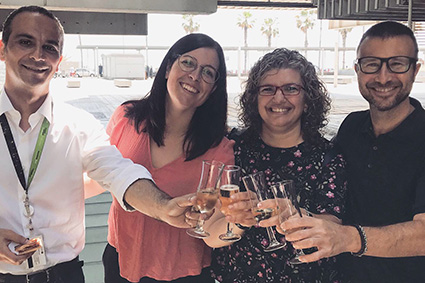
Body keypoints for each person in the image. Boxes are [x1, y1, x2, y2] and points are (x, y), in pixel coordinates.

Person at [0, 5, 194, 282]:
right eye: (25, 42)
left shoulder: (78, 124)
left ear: (59, 59)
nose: (38, 55)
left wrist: (163, 208)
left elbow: (118, 171)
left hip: (64, 274)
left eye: (50, 47)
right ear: (2, 49)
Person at [280, 21, 425, 283]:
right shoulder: (351, 126)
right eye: (372, 64)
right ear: (357, 69)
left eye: (397, 63)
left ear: (415, 69)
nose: (383, 77)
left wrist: (347, 239)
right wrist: (293, 213)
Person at [203, 48, 347, 282]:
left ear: (308, 100)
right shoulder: (233, 149)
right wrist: (239, 221)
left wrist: (296, 214)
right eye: (268, 89)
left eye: (291, 89)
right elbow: (210, 234)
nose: (278, 98)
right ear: (254, 99)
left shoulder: (328, 157)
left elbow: (332, 226)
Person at [101, 33, 234, 283]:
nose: (195, 75)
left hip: (185, 273)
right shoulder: (126, 118)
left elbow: (217, 225)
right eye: (188, 63)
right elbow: (99, 175)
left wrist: (239, 221)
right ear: (167, 68)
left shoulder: (220, 149)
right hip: (120, 259)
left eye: (208, 72)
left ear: (213, 88)